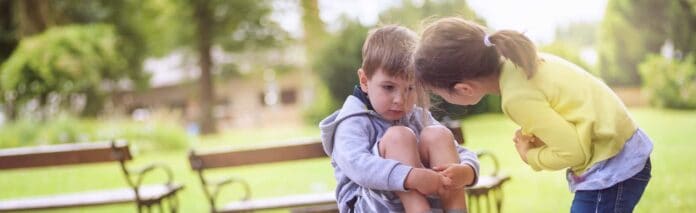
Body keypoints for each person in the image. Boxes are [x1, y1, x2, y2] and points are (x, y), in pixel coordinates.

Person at [413, 17, 653, 212]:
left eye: (438, 93)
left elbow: (574, 151)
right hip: (621, 151)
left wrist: (531, 156)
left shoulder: (516, 97)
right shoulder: (519, 63)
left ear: (464, 88)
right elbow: (571, 112)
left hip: (612, 167)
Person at [319, 25, 480, 213]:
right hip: (369, 205)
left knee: (439, 135)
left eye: (410, 88)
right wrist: (410, 176)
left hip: (422, 197)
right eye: (388, 87)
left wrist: (466, 171)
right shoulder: (351, 122)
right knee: (399, 137)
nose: (400, 100)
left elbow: (458, 151)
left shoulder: (417, 116)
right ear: (364, 81)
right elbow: (358, 167)